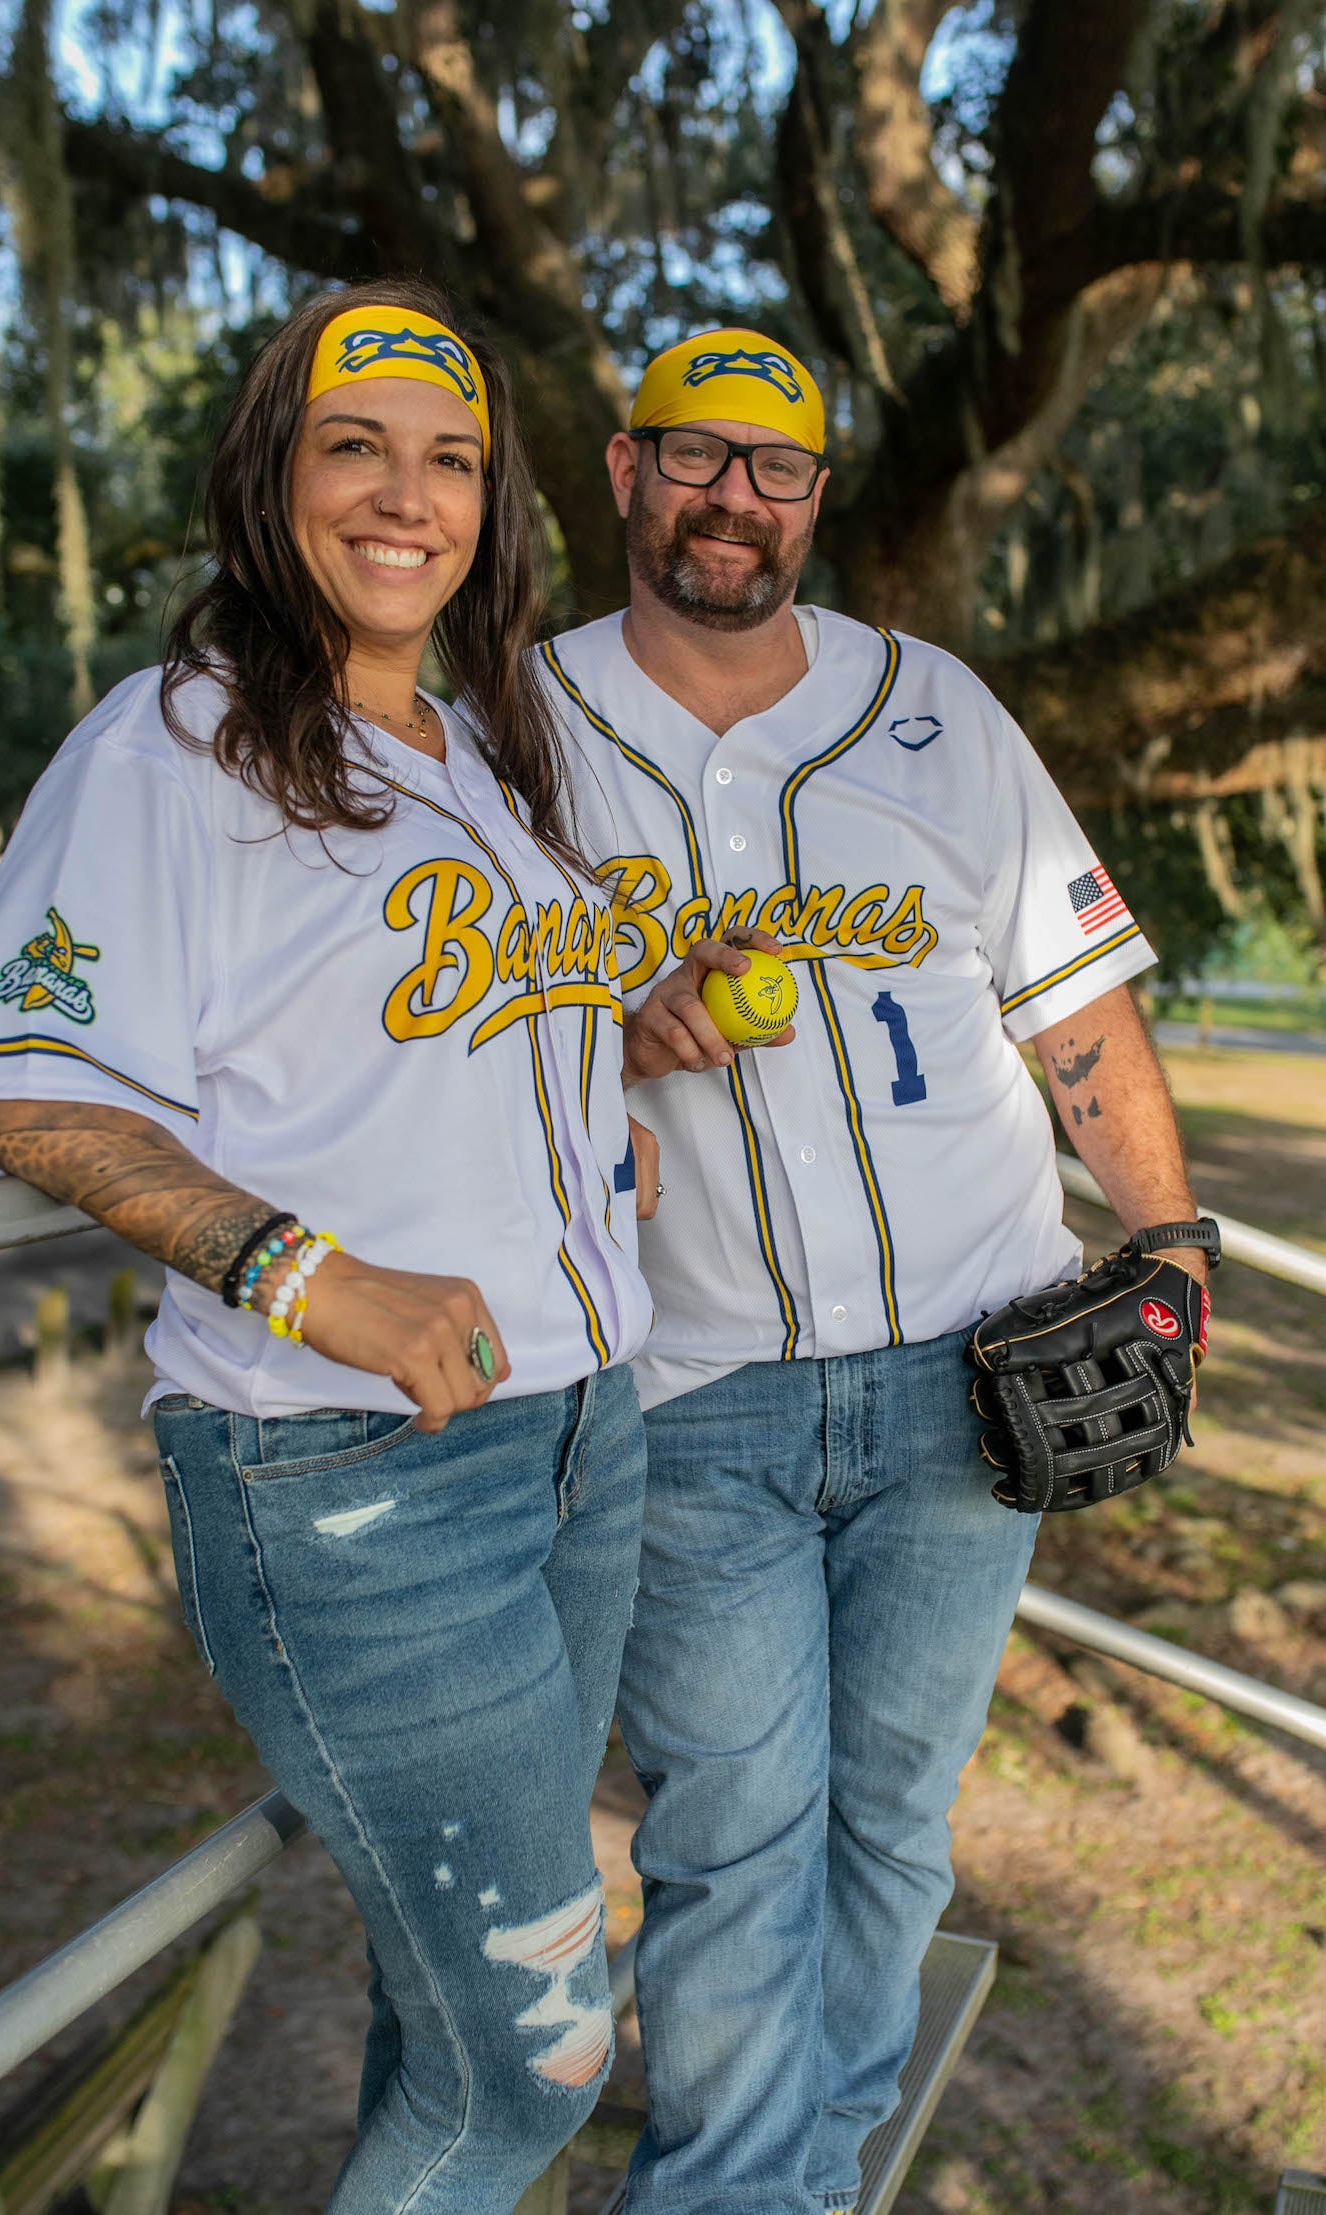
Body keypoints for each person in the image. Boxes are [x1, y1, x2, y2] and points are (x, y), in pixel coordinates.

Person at [0, 280, 660, 2214]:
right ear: (271, 475)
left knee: (457, 2024)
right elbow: (25, 1086)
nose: (407, 497)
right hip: (353, 1486)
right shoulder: (177, 749)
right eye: (356, 446)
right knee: (534, 2063)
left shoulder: (485, 754)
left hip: (579, 1441)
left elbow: (415, 1040)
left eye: (452, 461)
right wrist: (310, 1275)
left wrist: (597, 1103)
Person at [544, 328, 1216, 2215]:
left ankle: (809, 2166)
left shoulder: (936, 708)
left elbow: (1074, 1005)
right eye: (694, 458)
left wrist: (1169, 1243)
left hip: (969, 1367)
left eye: (773, 469)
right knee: (732, 1830)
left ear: (815, 500)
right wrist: (605, 1039)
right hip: (692, 1385)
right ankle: (735, 2192)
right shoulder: (510, 732)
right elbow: (444, 1048)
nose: (731, 498)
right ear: (622, 470)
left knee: (891, 1821)